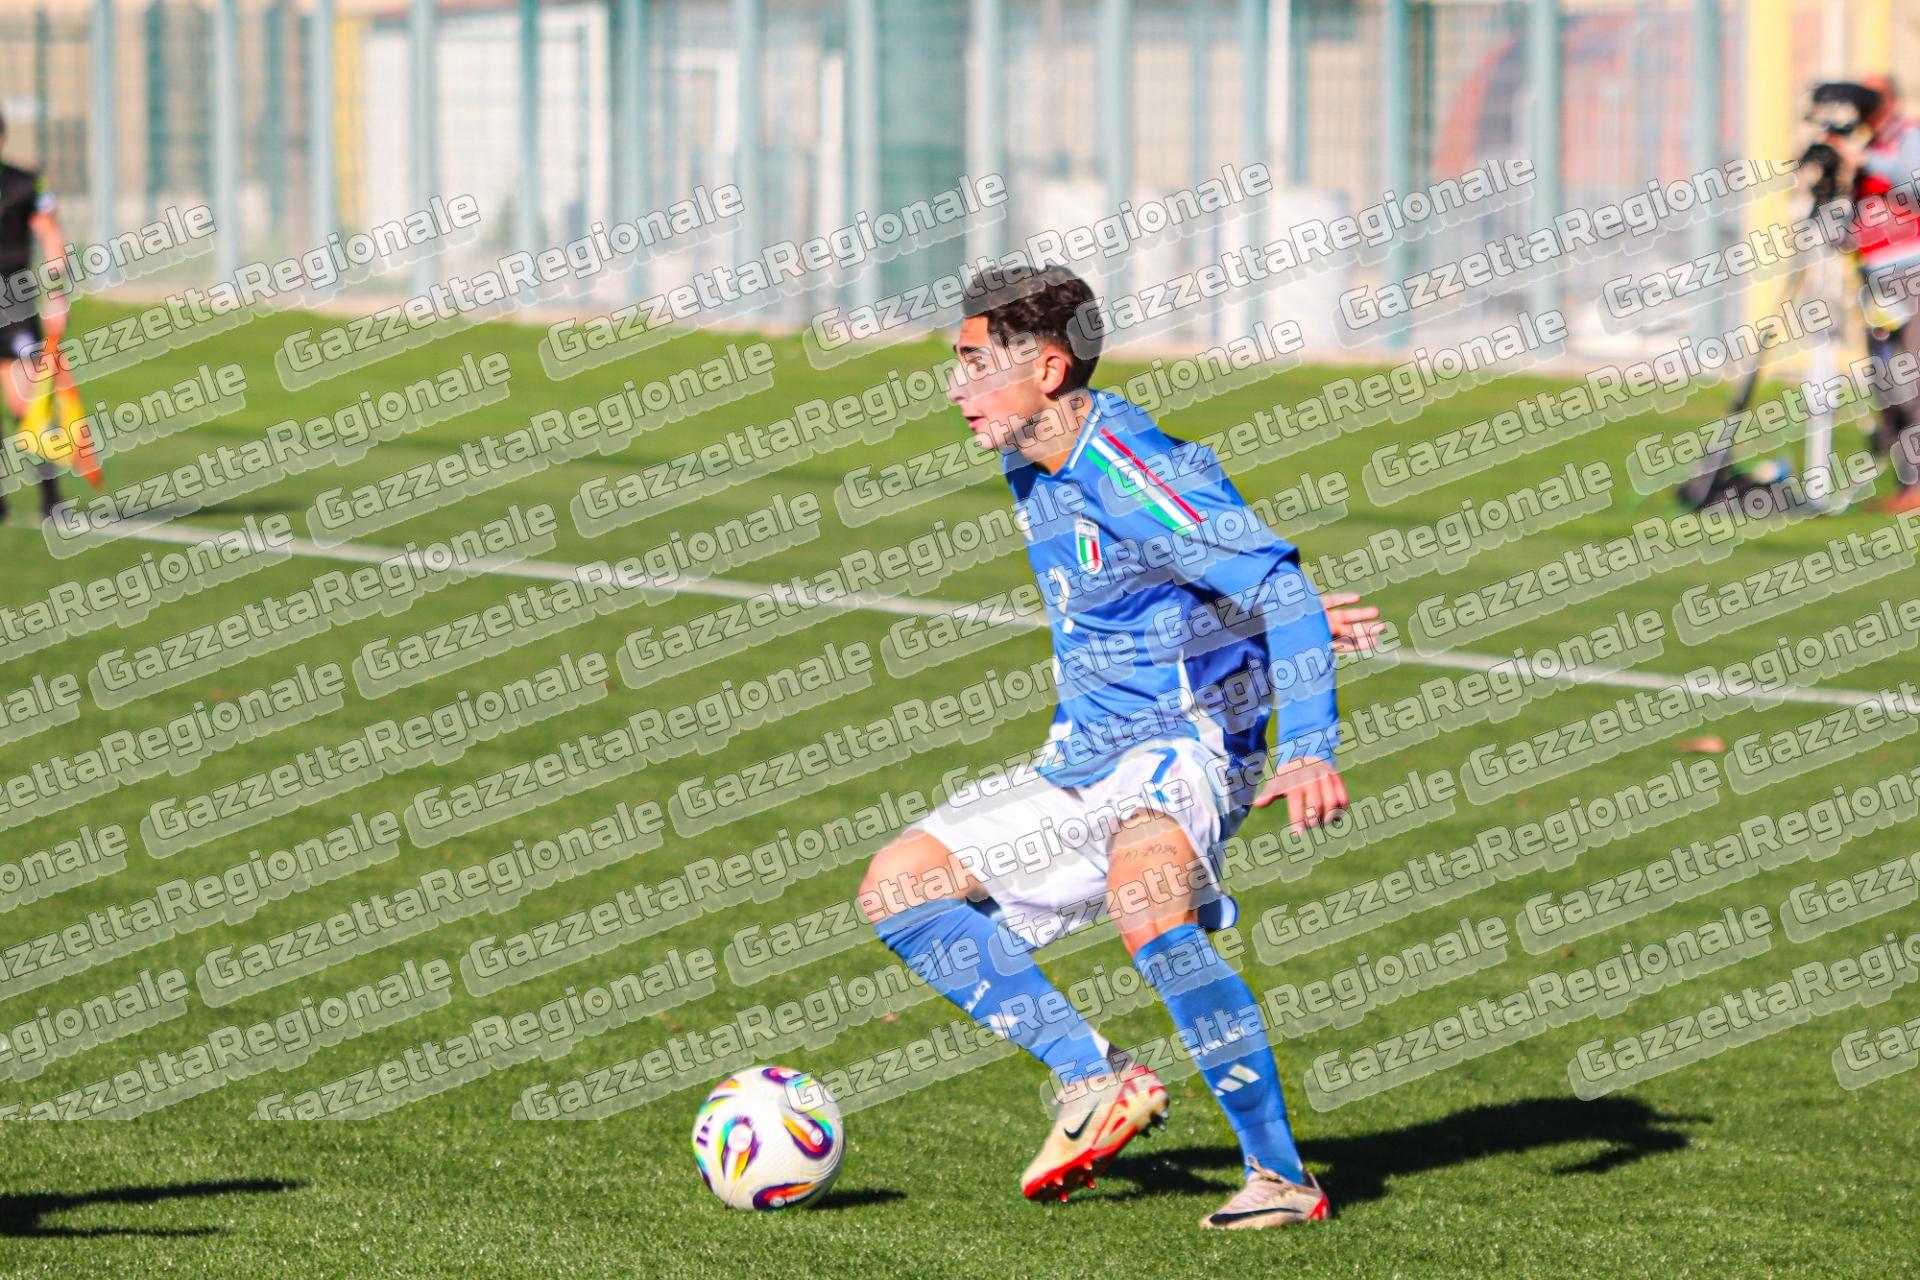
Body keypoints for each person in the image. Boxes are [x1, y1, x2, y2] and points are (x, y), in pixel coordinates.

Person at [856, 261, 1380, 1230]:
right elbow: (1176, 589)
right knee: (898, 886)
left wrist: (1307, 739)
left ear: (1048, 370)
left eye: (975, 364)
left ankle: (1280, 1177)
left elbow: (1278, 583)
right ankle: (1093, 1075)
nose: (957, 387)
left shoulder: (1129, 468)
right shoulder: (1029, 453)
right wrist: (1251, 616)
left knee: (1146, 896)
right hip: (1085, 752)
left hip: (1187, 745)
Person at [1816, 79, 1920, 511]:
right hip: (1874, 278)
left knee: (1913, 379)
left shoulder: (1908, 138)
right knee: (1886, 384)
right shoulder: (1861, 149)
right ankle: (1908, 484)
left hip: (1912, 270)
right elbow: (1846, 229)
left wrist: (1864, 158)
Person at [0, 107, 72, 523]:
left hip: (14, 305)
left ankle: (52, 501)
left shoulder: (25, 184)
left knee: (28, 404)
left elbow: (51, 236)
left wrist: (57, 295)